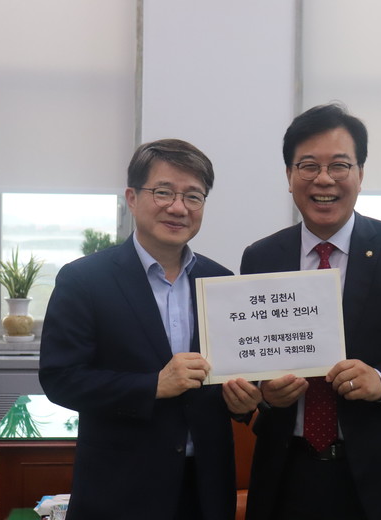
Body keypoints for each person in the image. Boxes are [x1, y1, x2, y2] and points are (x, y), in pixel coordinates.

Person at [241, 103, 381, 520]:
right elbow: (251, 356)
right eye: (308, 166)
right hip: (287, 472)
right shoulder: (262, 257)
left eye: (339, 165)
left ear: (360, 174)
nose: (323, 179)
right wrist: (264, 393)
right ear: (289, 176)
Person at [39, 138, 261, 520]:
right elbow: (60, 379)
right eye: (163, 192)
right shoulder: (84, 280)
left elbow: (231, 375)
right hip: (121, 489)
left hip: (205, 489)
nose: (178, 207)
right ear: (132, 197)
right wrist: (153, 385)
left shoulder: (222, 281)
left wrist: (243, 402)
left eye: (193, 196)